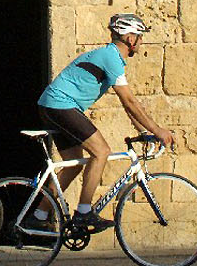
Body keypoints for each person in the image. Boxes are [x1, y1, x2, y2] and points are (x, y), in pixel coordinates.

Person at [28, 13, 176, 233]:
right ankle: (84, 212)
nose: (141, 42)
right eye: (140, 36)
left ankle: (39, 215)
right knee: (101, 151)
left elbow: (127, 105)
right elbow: (130, 101)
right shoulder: (111, 57)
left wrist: (143, 132)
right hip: (60, 105)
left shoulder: (111, 57)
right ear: (130, 38)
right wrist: (158, 130)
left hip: (54, 105)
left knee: (74, 163)